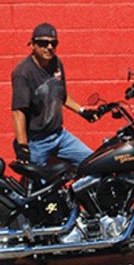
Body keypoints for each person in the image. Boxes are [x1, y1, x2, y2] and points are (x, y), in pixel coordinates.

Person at [11, 22, 98, 167]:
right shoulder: (23, 72)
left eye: (53, 43)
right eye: (43, 43)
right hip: (37, 142)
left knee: (94, 163)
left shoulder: (56, 63)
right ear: (32, 45)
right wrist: (22, 146)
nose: (49, 47)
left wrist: (82, 111)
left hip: (60, 135)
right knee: (38, 187)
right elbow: (18, 112)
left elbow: (61, 95)